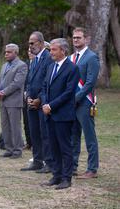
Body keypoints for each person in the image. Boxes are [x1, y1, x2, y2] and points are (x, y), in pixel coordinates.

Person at [41, 38, 80, 190]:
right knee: (53, 146)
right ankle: (56, 175)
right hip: (49, 113)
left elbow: (69, 92)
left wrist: (51, 105)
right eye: (50, 50)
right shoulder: (51, 66)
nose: (51, 52)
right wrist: (44, 103)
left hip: (63, 114)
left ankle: (66, 178)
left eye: (54, 50)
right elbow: (44, 87)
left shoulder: (72, 68)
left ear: (63, 51)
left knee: (65, 147)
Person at [70, 28, 100, 179]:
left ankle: (92, 169)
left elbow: (90, 83)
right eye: (74, 38)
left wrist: (75, 98)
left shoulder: (91, 57)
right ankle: (73, 166)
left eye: (79, 38)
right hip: (71, 104)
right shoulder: (72, 57)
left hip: (85, 102)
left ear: (86, 39)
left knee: (89, 137)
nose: (75, 40)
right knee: (73, 136)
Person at [22, 32, 54, 173]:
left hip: (43, 102)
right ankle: (37, 160)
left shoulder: (48, 58)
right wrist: (28, 96)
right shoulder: (34, 60)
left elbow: (47, 82)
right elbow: (30, 81)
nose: (30, 46)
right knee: (34, 133)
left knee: (45, 133)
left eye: (32, 43)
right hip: (31, 103)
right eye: (29, 43)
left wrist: (39, 100)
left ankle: (49, 162)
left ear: (41, 43)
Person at [0, 44, 28, 159]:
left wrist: (3, 92)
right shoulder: (4, 66)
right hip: (3, 100)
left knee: (15, 126)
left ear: (15, 53)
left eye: (9, 52)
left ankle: (17, 150)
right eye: (5, 52)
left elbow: (17, 83)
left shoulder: (22, 66)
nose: (6, 54)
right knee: (5, 126)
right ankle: (8, 149)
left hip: (14, 100)